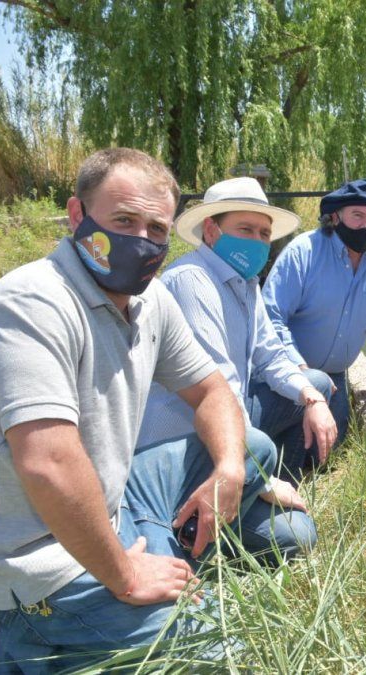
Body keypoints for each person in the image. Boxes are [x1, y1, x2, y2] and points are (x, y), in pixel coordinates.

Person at [0, 149, 305, 673]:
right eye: (123, 221)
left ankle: (147, 555)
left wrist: (230, 471)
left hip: (111, 502)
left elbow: (214, 393)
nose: (141, 240)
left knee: (254, 454)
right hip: (39, 559)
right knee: (223, 650)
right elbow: (48, 464)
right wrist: (125, 575)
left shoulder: (150, 300)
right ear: (77, 216)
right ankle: (19, 637)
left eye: (155, 228)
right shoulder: (30, 303)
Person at [138, 176, 338, 487]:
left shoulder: (247, 283)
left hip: (231, 413)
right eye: (245, 230)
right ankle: (257, 485)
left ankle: (284, 482)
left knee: (316, 385)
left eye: (264, 234)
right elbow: (220, 387)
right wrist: (262, 480)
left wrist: (313, 399)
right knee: (296, 534)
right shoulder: (191, 281)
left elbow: (270, 354)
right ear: (210, 230)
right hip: (188, 438)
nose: (257, 241)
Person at [261, 179, 366, 471]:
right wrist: (302, 372)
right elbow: (271, 317)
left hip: (337, 381)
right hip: (286, 378)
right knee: (284, 461)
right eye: (357, 216)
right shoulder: (303, 252)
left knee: (325, 462)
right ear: (335, 216)